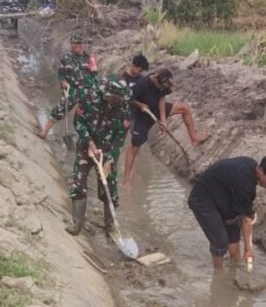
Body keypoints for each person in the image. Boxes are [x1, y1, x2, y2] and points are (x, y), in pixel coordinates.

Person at [187, 155, 266, 269]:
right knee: (220, 240)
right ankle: (219, 277)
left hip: (223, 197)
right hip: (203, 200)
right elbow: (246, 220)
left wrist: (247, 248)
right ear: (261, 170)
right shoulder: (244, 180)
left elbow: (244, 213)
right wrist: (248, 249)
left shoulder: (251, 168)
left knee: (234, 233)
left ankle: (235, 270)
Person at [66, 75, 132, 235]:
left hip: (107, 151)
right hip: (86, 147)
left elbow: (121, 136)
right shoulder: (89, 96)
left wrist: (110, 159)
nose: (113, 101)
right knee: (78, 184)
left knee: (109, 188)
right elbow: (78, 122)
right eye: (111, 97)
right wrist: (89, 143)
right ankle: (77, 225)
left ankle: (110, 226)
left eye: (116, 99)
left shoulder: (124, 107)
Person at [122, 68, 211, 187]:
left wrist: (163, 120)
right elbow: (128, 98)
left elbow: (161, 99)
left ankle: (194, 139)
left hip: (156, 107)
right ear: (156, 80)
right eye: (161, 86)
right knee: (135, 146)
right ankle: (126, 179)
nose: (163, 88)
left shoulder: (164, 85)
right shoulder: (142, 84)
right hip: (143, 114)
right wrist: (140, 105)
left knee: (185, 108)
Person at [37, 32, 95, 138]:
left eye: (80, 43)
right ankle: (44, 131)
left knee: (89, 115)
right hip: (71, 91)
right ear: (71, 44)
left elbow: (94, 75)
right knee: (59, 110)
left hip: (86, 91)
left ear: (83, 44)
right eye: (75, 43)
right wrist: (63, 82)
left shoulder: (89, 57)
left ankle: (89, 140)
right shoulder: (65, 58)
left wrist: (93, 90)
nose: (78, 45)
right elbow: (61, 73)